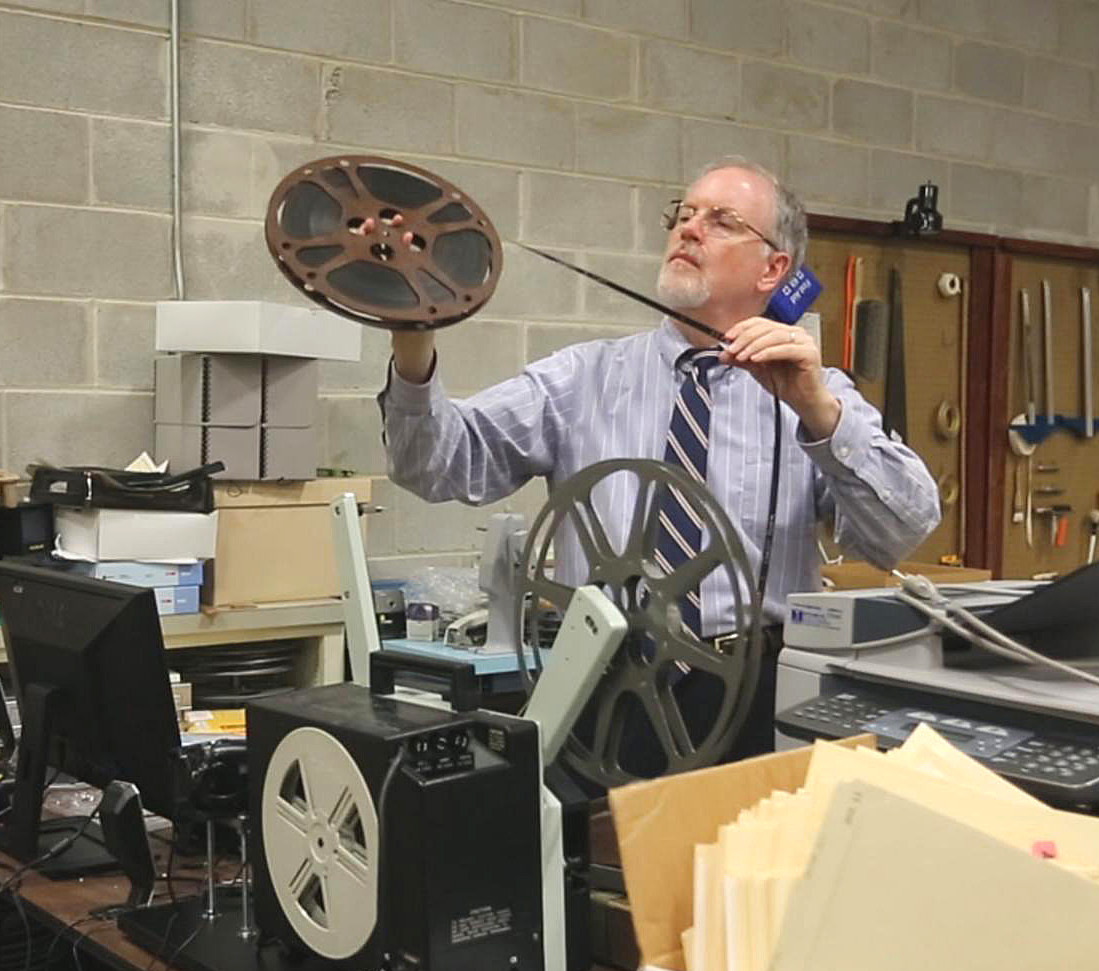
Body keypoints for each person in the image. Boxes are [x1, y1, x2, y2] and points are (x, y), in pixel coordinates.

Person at [377, 157, 939, 770]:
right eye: (684, 214)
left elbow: (904, 528)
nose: (689, 229)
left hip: (754, 696)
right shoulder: (582, 378)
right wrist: (414, 334)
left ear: (774, 269)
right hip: (606, 688)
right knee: (599, 860)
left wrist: (818, 411)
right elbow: (432, 464)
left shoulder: (813, 392)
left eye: (721, 221)